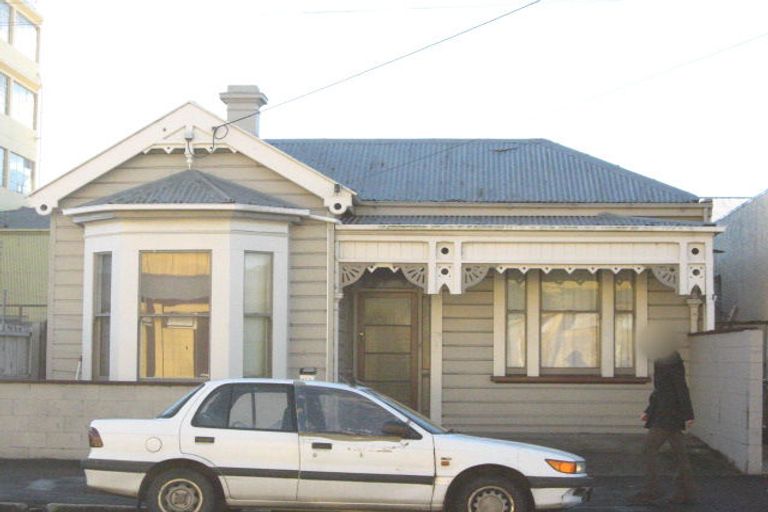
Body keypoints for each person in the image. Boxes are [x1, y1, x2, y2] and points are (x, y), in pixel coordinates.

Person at [630, 350, 696, 505]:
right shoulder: (664, 360)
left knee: (649, 450)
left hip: (667, 415)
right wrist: (649, 411)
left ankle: (653, 490)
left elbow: (680, 387)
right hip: (669, 414)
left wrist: (688, 414)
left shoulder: (669, 360)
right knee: (680, 454)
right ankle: (686, 491)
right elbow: (660, 390)